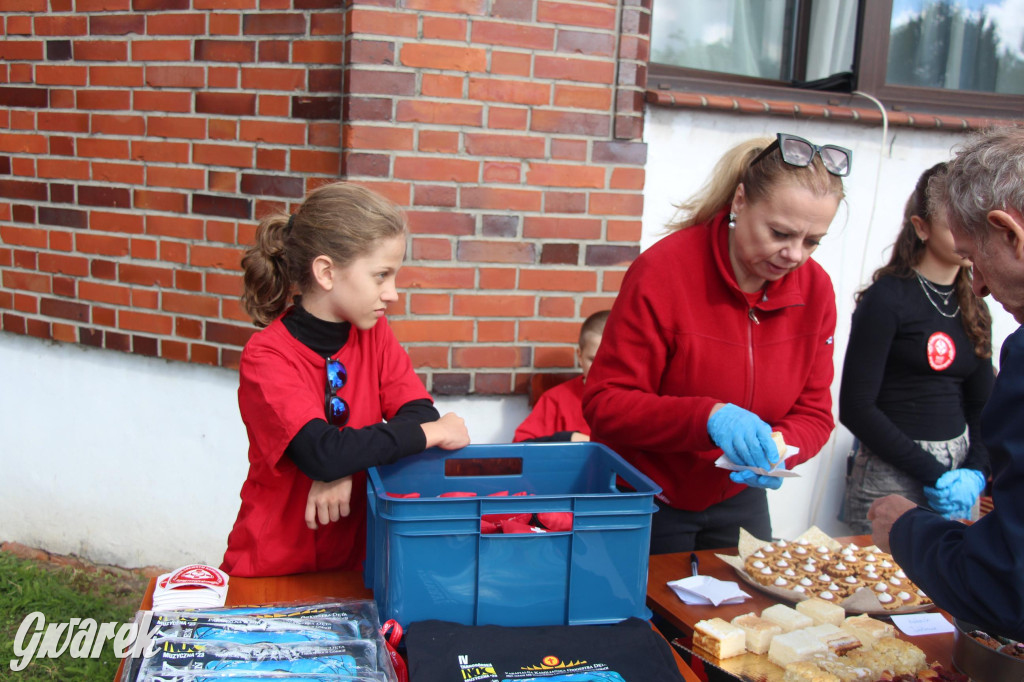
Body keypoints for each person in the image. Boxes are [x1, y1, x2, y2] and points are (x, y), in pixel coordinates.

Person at [583, 133, 849, 553]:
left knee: (752, 617)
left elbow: (815, 413)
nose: (794, 255)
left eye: (813, 241)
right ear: (740, 201)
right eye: (780, 232)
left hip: (739, 496)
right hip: (647, 495)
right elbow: (606, 403)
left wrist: (779, 449)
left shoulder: (815, 291)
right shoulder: (663, 271)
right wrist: (708, 417)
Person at [221, 182, 470, 578]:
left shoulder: (375, 334)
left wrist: (340, 462)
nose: (392, 294)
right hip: (274, 566)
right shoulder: (266, 357)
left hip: (358, 562)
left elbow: (418, 412)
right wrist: (431, 434)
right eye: (381, 275)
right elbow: (322, 451)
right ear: (326, 272)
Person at [869, 127, 1024, 640]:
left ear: (1010, 234)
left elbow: (1007, 585)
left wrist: (911, 531)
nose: (977, 282)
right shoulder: (888, 299)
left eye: (975, 259)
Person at [839, 163, 994, 533]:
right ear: (921, 227)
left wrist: (975, 471)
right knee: (881, 587)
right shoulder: (886, 298)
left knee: (947, 588)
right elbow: (856, 407)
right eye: (953, 225)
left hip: (957, 477)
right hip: (890, 474)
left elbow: (983, 404)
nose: (966, 237)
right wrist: (934, 473)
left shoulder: (976, 302)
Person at [513, 310, 609, 443]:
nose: (600, 369)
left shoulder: (635, 398)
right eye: (593, 360)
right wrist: (566, 439)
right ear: (580, 356)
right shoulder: (555, 400)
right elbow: (520, 446)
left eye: (609, 360)